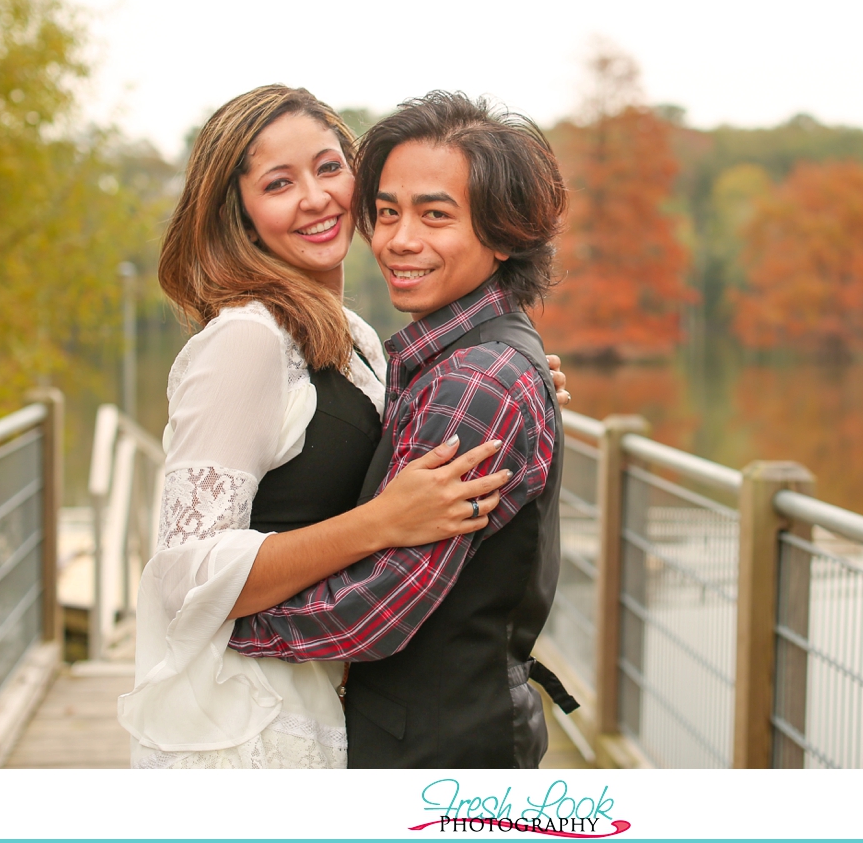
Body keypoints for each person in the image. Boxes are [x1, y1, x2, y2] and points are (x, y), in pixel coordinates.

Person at [117, 85, 570, 768]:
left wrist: (517, 380)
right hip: (247, 721)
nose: (317, 197)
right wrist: (379, 522)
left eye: (330, 167)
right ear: (237, 211)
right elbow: (183, 578)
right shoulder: (247, 340)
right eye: (278, 183)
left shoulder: (359, 340)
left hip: (321, 701)